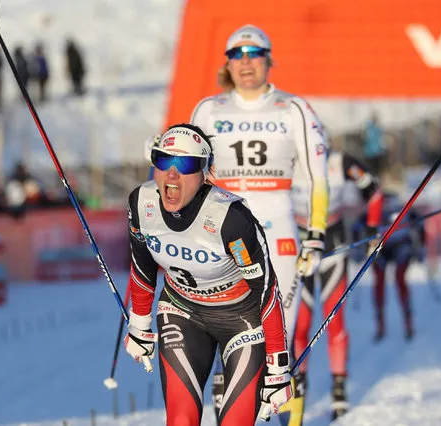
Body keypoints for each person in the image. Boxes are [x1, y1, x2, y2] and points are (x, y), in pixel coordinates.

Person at [189, 24, 330, 422]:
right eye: (237, 55)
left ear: (269, 61)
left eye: (255, 55)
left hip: (278, 231)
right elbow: (187, 172)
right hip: (218, 233)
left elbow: (318, 175)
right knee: (224, 332)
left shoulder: (294, 108)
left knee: (278, 337)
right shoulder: (208, 110)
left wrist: (316, 235)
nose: (246, 63)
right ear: (227, 65)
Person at [124, 123, 293, 426]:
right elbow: (143, 265)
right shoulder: (141, 203)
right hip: (181, 311)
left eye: (185, 164)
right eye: (164, 160)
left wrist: (278, 367)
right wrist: (139, 323)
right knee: (181, 420)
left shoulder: (231, 219)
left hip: (241, 321)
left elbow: (266, 291)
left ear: (204, 173)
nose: (172, 174)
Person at [291, 149, 384, 421]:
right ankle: (297, 391)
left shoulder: (341, 162)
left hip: (335, 248)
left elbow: (374, 191)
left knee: (335, 322)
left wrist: (371, 230)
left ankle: (339, 391)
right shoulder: (287, 159)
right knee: (300, 325)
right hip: (299, 251)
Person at [352, 193, 425, 342]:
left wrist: (419, 249)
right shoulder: (371, 209)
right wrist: (358, 251)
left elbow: (419, 225)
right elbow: (357, 227)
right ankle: (380, 325)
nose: (386, 205)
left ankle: (408, 322)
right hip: (380, 248)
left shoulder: (403, 208)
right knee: (379, 281)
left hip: (400, 246)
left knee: (400, 278)